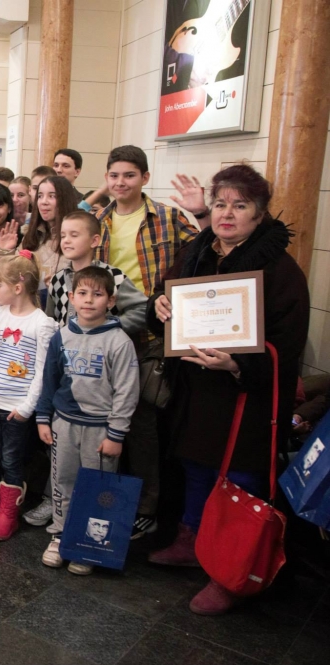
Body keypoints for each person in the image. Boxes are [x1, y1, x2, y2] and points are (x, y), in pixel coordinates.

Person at [146, 164, 308, 615]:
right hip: (197, 387)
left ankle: (231, 570)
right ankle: (191, 537)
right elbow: (165, 295)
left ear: (260, 214)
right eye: (220, 204)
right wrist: (160, 304)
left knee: (241, 477)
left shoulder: (280, 269)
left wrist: (238, 364)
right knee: (196, 464)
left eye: (240, 205)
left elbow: (287, 344)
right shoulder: (198, 250)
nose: (227, 214)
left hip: (245, 396)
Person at [96, 145, 200, 539]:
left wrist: (204, 212)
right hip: (106, 330)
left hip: (150, 333)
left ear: (144, 178)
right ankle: (103, 499)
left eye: (129, 175)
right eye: (114, 175)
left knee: (140, 420)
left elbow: (205, 251)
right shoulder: (99, 220)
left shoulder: (168, 218)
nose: (120, 182)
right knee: (104, 417)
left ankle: (146, 506)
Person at [36, 266, 139, 576]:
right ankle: (60, 535)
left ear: (111, 301)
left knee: (97, 488)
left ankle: (87, 543)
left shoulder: (119, 341)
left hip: (101, 430)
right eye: (82, 293)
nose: (89, 300)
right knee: (62, 482)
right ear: (71, 297)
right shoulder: (62, 336)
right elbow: (49, 380)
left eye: (97, 294)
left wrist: (116, 434)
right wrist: (43, 418)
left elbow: (127, 391)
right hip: (64, 424)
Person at [0, 253, 56, 541]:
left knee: (10, 461)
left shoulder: (42, 324)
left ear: (17, 288)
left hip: (15, 408)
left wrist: (27, 408)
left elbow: (42, 373)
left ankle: (8, 514)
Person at [48, 211, 147, 336]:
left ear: (94, 241)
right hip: (66, 347)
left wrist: (113, 326)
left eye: (74, 235)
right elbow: (50, 320)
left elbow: (142, 309)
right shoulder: (57, 280)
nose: (66, 241)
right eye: (63, 236)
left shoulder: (115, 277)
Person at [23, 175, 77, 294]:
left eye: (52, 196)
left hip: (66, 301)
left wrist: (59, 285)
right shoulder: (31, 234)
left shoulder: (77, 238)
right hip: (33, 302)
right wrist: (5, 251)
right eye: (40, 196)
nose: (44, 202)